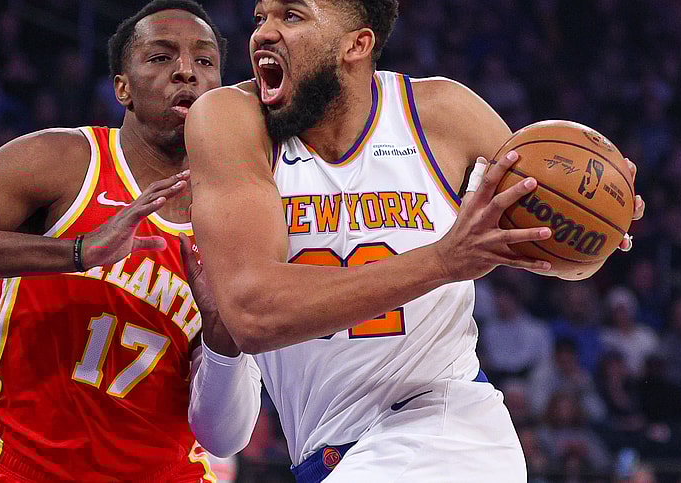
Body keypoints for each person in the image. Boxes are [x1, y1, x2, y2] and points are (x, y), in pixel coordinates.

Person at [183, 0, 645, 481]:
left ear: (356, 44)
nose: (263, 33)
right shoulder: (231, 120)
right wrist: (442, 261)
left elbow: (556, 239)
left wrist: (606, 224)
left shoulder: (441, 115)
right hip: (326, 451)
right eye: (261, 17)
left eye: (291, 16)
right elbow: (254, 313)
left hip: (447, 429)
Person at [0, 1, 259, 481]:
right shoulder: (65, 161)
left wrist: (224, 341)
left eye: (204, 61)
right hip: (24, 468)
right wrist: (76, 252)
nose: (185, 72)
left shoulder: (241, 216)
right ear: (123, 87)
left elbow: (226, 437)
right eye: (161, 57)